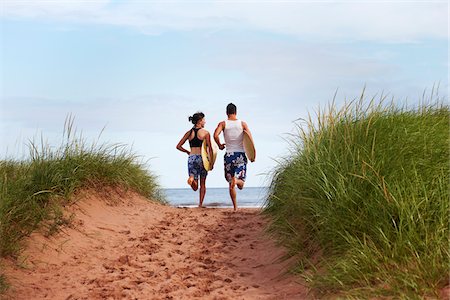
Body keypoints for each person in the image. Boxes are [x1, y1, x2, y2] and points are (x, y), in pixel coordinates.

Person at [214, 103, 254, 211]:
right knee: (241, 183)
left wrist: (220, 145)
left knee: (230, 183)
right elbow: (250, 138)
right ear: (236, 112)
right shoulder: (243, 124)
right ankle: (237, 181)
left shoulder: (223, 124)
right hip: (240, 155)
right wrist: (252, 154)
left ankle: (235, 208)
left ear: (226, 113)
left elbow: (215, 135)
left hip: (229, 156)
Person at [176, 112, 213, 208]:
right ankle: (200, 204)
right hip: (202, 159)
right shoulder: (205, 133)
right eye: (204, 119)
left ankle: (192, 179)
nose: (205, 121)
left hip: (192, 158)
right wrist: (211, 161)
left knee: (195, 187)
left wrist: (187, 152)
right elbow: (210, 148)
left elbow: (178, 146)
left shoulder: (189, 133)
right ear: (200, 121)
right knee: (203, 183)